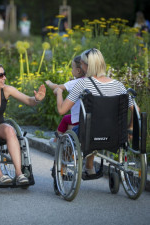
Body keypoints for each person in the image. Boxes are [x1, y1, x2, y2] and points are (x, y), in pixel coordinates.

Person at [52, 48, 133, 176]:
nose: (81, 66)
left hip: (90, 133)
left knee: (71, 135)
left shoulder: (82, 84)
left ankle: (61, 169)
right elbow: (135, 110)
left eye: (83, 63)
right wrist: (130, 127)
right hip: (115, 134)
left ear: (87, 66)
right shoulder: (118, 85)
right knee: (94, 128)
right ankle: (89, 167)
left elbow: (62, 110)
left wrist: (59, 92)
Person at [45, 55, 85, 146]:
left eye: (72, 68)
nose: (71, 70)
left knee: (66, 118)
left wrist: (49, 83)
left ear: (78, 70)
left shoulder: (75, 83)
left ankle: (56, 140)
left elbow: (57, 87)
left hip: (78, 119)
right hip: (88, 118)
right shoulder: (89, 81)